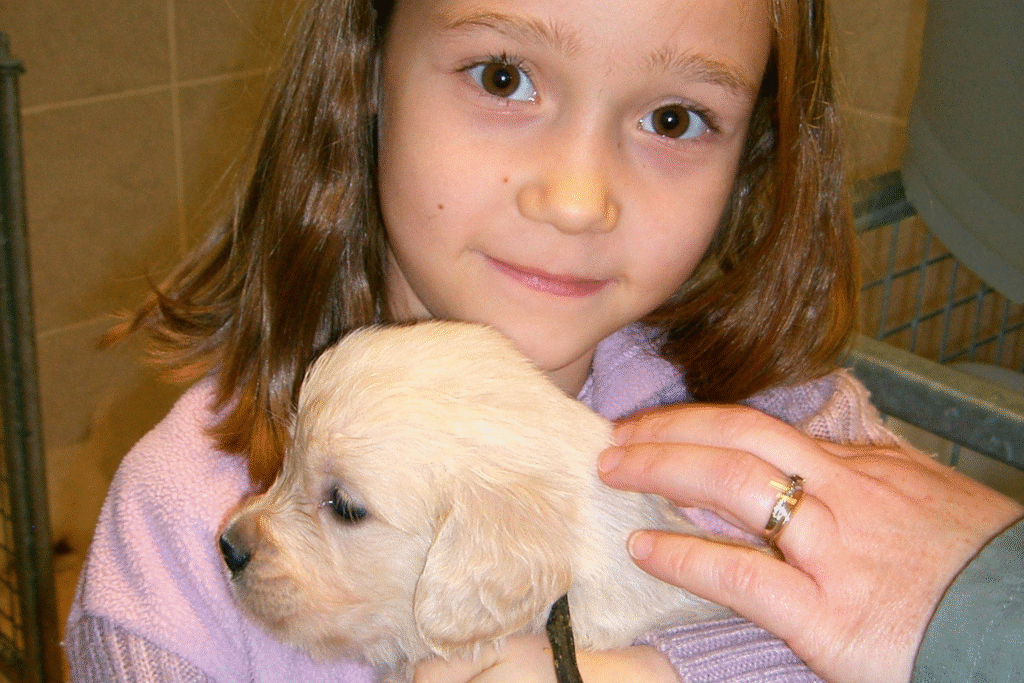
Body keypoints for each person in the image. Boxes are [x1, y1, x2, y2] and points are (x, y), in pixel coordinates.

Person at [62, 0, 1013, 681]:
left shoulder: (794, 432)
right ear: (364, 70)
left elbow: (936, 630)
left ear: (752, 154)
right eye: (505, 76)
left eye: (674, 118)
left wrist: (648, 670)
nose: (575, 196)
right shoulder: (175, 531)